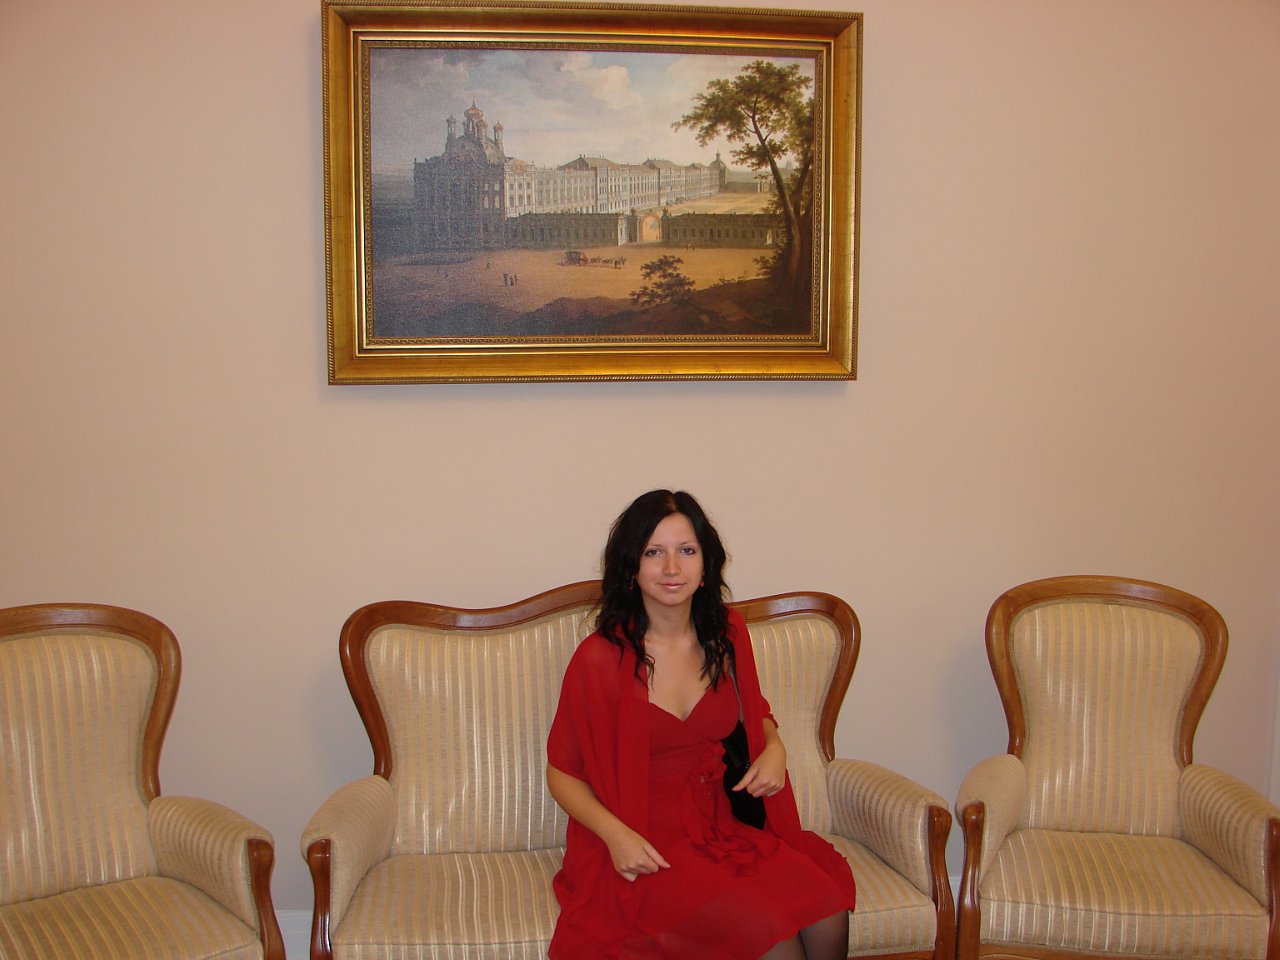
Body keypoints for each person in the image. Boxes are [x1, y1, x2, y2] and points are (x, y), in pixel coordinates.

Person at [546, 490, 856, 959]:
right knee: (774, 940)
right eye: (654, 552)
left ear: (706, 563)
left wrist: (775, 748)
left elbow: (755, 712)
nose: (672, 567)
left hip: (720, 829)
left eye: (686, 550)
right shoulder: (600, 658)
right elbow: (562, 772)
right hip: (644, 841)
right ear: (631, 567)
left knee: (827, 910)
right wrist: (617, 836)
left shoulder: (725, 636)